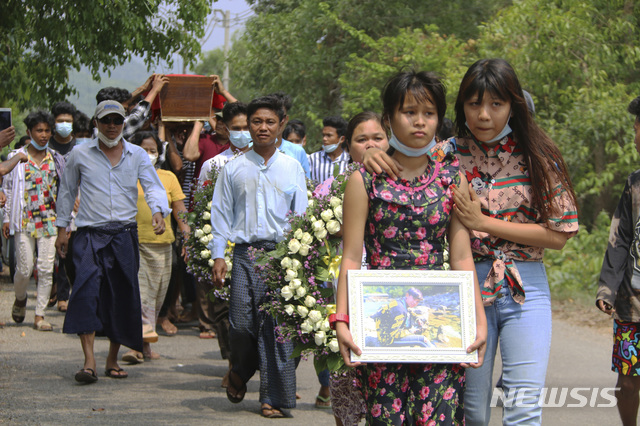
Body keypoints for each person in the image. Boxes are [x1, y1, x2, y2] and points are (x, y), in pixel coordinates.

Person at [362, 59, 579, 425]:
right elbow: (401, 163)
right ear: (461, 106)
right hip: (464, 284)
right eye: (474, 104)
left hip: (526, 285)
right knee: (472, 410)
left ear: (513, 105)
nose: (484, 115)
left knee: (524, 405)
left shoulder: (538, 156)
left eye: (496, 104)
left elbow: (560, 233)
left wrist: (484, 222)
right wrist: (371, 154)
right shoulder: (443, 153)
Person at [335, 70, 487, 425]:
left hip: (438, 324)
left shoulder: (453, 177)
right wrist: (342, 320)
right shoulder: (364, 180)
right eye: (409, 112)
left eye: (429, 113)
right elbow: (352, 257)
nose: (420, 122)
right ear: (389, 118)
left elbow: (462, 255)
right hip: (382, 323)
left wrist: (477, 321)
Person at [55, 100, 170, 384]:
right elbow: (67, 192)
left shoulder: (138, 155)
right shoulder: (79, 155)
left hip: (124, 235)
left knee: (121, 295)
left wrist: (157, 211)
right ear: (96, 123)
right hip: (89, 235)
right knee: (86, 293)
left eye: (117, 120)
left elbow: (153, 185)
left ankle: (112, 359)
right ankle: (89, 361)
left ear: (123, 123)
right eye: (105, 120)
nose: (111, 126)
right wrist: (61, 229)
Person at [210, 95, 307, 418]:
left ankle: (273, 399)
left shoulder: (293, 168)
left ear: (281, 124)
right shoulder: (233, 169)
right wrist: (218, 256)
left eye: (269, 122)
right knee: (240, 324)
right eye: (256, 122)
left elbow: (302, 216)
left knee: (277, 329)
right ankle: (240, 371)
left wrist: (303, 262)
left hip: (282, 257)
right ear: (247, 126)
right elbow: (221, 214)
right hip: (243, 256)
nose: (262, 128)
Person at [121, 131, 189, 363]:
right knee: (141, 295)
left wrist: (188, 236)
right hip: (134, 243)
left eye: (153, 150)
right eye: (144, 150)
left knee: (157, 296)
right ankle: (134, 346)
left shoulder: (168, 177)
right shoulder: (126, 176)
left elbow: (180, 209)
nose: (149, 155)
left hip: (163, 245)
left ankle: (145, 347)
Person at [596, 95, 640, 426]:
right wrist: (607, 288)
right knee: (627, 382)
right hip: (632, 304)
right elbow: (619, 239)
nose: (637, 137)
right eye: (637, 128)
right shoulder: (634, 185)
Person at [3, 110, 64, 331]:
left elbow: (63, 191)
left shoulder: (56, 159)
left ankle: (39, 315)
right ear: (29, 132)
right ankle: (20, 297)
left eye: (47, 130)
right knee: (24, 268)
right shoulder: (16, 156)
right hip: (24, 220)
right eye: (39, 130)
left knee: (46, 268)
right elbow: (8, 189)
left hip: (49, 220)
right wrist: (7, 218)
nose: (44, 135)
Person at [197, 101, 252, 184]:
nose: (242, 132)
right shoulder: (213, 165)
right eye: (236, 129)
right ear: (226, 130)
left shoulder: (262, 161)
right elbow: (203, 195)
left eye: (246, 128)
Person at [270, 92, 310, 178]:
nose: (278, 120)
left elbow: (306, 186)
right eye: (273, 116)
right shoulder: (250, 148)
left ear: (286, 119)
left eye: (281, 116)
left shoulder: (298, 151)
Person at [308, 116, 350, 185]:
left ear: (341, 139)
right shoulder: (313, 159)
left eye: (329, 135)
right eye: (323, 135)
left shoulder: (349, 161)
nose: (324, 139)